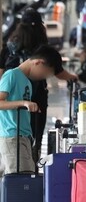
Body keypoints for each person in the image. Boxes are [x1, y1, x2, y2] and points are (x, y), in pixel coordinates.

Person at [0, 12, 77, 164]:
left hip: (12, 117)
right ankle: (31, 165)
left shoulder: (9, 47)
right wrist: (73, 77)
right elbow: (59, 72)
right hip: (35, 100)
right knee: (32, 140)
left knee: (14, 151)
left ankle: (26, 165)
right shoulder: (41, 51)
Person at [0, 45, 62, 175]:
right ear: (38, 62)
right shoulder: (11, 75)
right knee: (21, 181)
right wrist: (23, 103)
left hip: (24, 136)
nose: (42, 77)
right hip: (12, 136)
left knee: (25, 177)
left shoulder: (27, 82)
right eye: (45, 73)